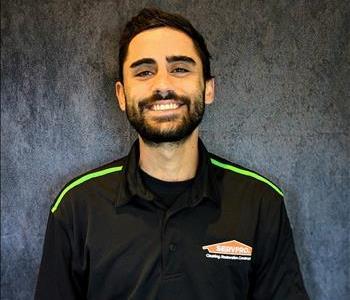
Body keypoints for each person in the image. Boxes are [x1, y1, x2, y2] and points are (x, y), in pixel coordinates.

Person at [35, 7, 309, 300]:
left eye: (180, 68)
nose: (163, 86)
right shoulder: (77, 206)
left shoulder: (260, 203)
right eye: (144, 72)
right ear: (121, 95)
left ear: (208, 89)